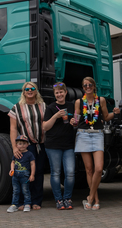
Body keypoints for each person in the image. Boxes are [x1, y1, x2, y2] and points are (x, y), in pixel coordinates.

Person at [74, 77, 120, 210]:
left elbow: (105, 117)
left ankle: (90, 196)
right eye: (85, 85)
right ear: (83, 88)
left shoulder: (101, 100)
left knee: (99, 168)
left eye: (90, 85)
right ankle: (96, 199)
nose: (87, 87)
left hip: (97, 134)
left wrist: (114, 113)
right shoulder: (79, 101)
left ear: (94, 86)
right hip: (83, 134)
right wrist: (73, 121)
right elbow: (76, 118)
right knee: (89, 170)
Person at [9, 81, 46, 210]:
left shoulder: (43, 106)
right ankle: (22, 202)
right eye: (27, 89)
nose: (30, 91)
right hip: (26, 146)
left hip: (40, 144)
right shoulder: (16, 108)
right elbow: (13, 129)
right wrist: (14, 147)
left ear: (36, 91)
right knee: (24, 174)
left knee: (39, 173)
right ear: (23, 92)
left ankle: (36, 201)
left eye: (32, 88)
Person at [43, 82, 76, 210]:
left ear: (66, 92)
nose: (59, 94)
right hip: (53, 145)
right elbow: (45, 127)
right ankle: (58, 200)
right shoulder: (51, 108)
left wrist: (74, 122)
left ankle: (67, 198)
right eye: (57, 93)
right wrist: (56, 116)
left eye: (61, 92)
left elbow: (75, 121)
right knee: (55, 173)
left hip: (68, 144)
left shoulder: (71, 106)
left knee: (70, 172)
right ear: (54, 94)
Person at [7, 135, 35, 213]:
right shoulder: (16, 154)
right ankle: (14, 205)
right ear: (16, 145)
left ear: (27, 144)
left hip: (25, 176)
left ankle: (27, 204)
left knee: (25, 190)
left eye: (24, 143)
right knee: (15, 190)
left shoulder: (29, 154)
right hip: (15, 175)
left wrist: (32, 175)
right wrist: (12, 169)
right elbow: (13, 162)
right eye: (19, 144)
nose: (22, 145)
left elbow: (33, 164)